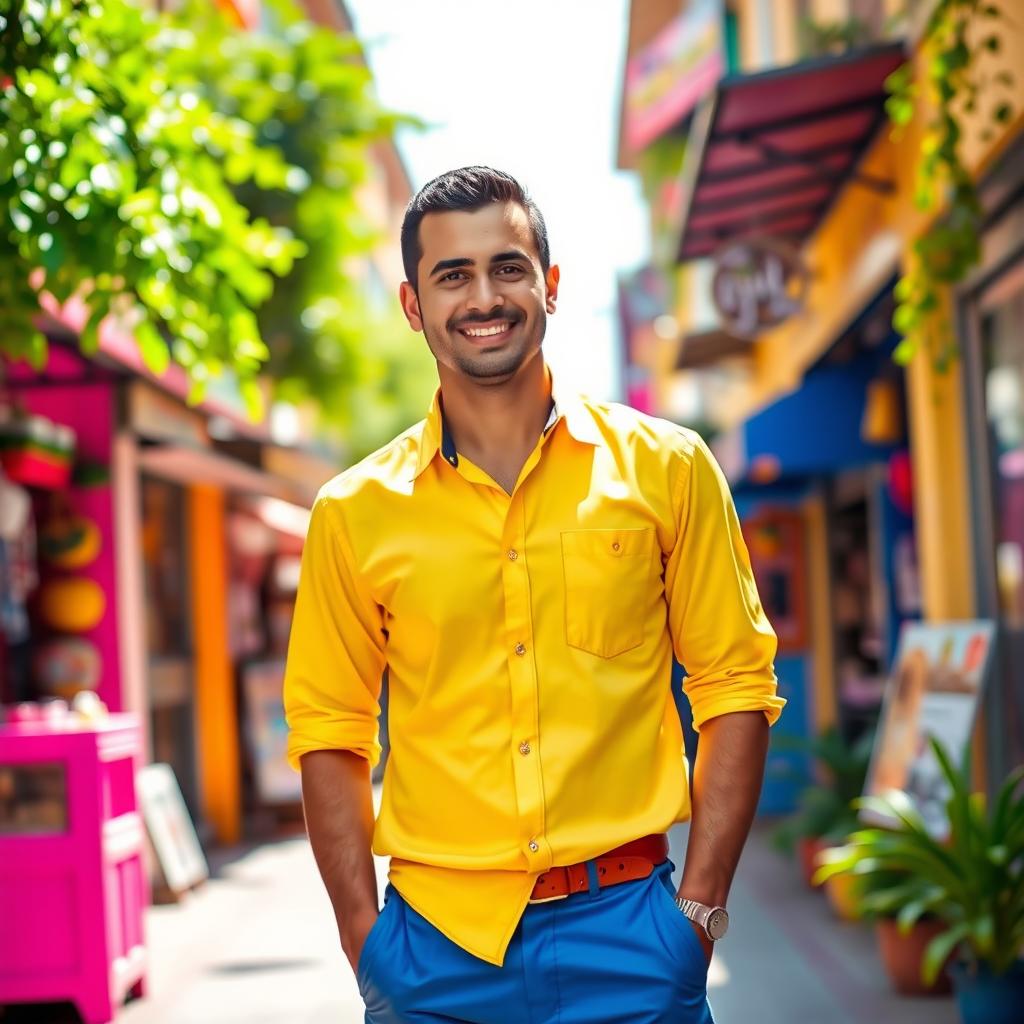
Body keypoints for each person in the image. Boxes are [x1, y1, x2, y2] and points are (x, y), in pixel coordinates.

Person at [284, 166, 785, 1024]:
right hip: (435, 954)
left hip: (634, 935)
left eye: (508, 267)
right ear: (413, 305)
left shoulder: (667, 469)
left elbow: (735, 687)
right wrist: (365, 941)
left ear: (550, 285)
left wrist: (695, 917)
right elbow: (330, 731)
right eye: (454, 275)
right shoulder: (352, 513)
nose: (486, 296)